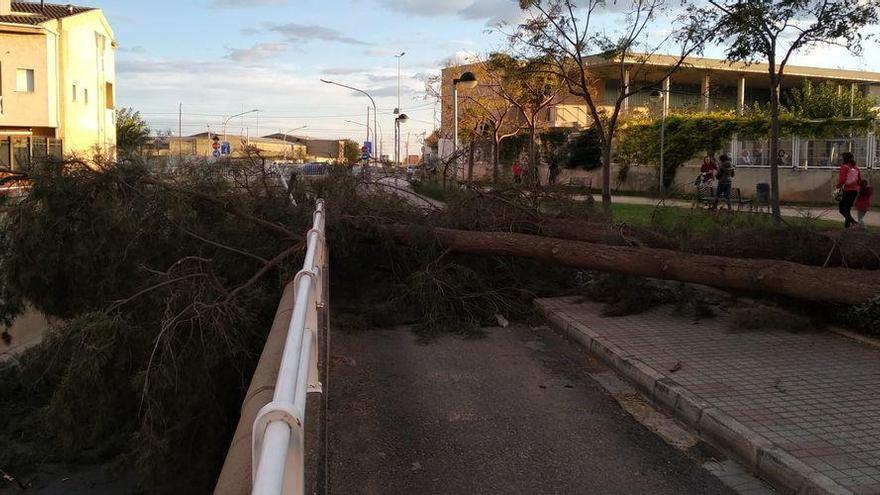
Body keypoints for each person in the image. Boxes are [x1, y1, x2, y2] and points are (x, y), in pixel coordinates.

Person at [837, 152, 862, 228]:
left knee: (842, 210)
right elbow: (859, 180)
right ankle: (847, 228)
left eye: (842, 157)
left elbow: (842, 180)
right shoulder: (856, 168)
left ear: (845, 158)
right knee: (847, 210)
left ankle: (854, 223)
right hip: (854, 191)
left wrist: (838, 187)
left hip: (847, 191)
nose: (840, 159)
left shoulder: (844, 167)